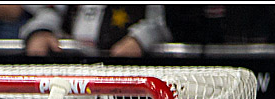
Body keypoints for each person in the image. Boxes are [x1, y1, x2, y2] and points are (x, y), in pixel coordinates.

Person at [20, 4, 172, 57]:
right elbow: (53, 12)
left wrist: (139, 39)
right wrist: (40, 32)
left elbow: (161, 23)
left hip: (127, 82)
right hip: (74, 72)